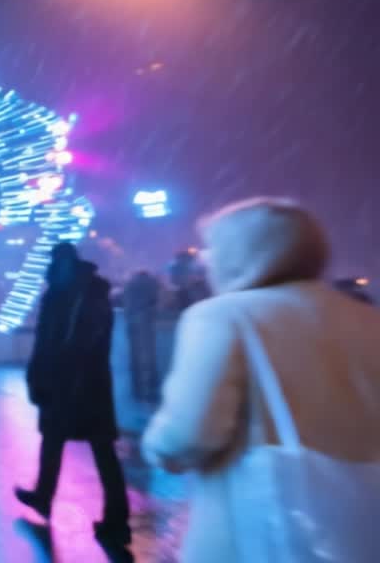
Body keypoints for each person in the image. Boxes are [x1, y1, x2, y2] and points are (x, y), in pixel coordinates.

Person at [143, 198, 380, 562]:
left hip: (250, 535)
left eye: (214, 249)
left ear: (240, 254)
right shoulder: (367, 320)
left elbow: (187, 435)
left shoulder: (223, 316)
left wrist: (158, 449)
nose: (206, 261)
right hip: (358, 534)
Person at [15, 243, 130, 547]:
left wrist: (39, 378)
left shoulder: (58, 294)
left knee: (54, 442)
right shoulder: (95, 293)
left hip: (62, 383)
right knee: (102, 451)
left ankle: (44, 498)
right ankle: (116, 520)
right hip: (92, 385)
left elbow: (47, 344)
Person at [122, 270, 163, 405]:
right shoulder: (152, 282)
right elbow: (160, 300)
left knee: (134, 356)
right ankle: (149, 392)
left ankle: (137, 391)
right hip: (145, 320)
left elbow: (124, 301)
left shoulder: (129, 283)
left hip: (131, 320)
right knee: (148, 356)